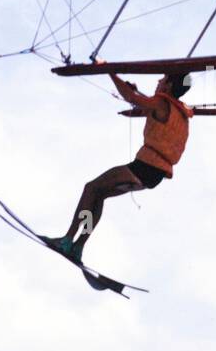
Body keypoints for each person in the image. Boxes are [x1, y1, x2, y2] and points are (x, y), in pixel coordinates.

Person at [44, 71, 193, 261]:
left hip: (144, 167)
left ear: (169, 85)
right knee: (99, 195)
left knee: (91, 188)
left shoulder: (162, 103)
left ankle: (67, 240)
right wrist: (137, 94)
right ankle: (78, 247)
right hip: (154, 176)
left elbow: (131, 98)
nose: (159, 80)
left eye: (163, 79)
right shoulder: (180, 113)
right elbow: (144, 103)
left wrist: (110, 71)